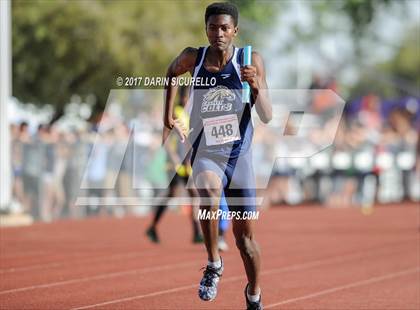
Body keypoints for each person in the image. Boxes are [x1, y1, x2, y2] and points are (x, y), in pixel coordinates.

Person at [162, 3, 271, 309]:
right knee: (207, 190)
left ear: (235, 30)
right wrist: (167, 116)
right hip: (207, 152)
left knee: (245, 241)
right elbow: (171, 73)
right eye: (213, 27)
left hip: (239, 159)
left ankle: (254, 294)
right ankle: (213, 263)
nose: (218, 33)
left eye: (225, 28)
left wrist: (257, 86)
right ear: (206, 29)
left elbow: (268, 115)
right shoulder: (193, 58)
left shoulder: (250, 61)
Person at [146, 86, 204, 244]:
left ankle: (197, 232)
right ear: (183, 97)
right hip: (175, 165)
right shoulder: (175, 113)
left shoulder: (192, 114)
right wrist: (172, 157)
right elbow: (165, 138)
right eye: (188, 96)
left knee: (194, 195)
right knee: (173, 194)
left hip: (188, 164)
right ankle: (153, 226)